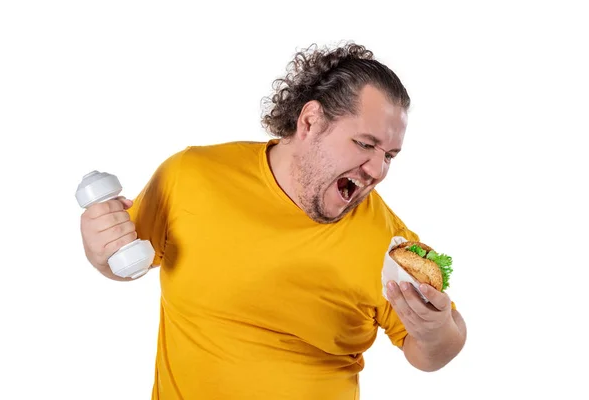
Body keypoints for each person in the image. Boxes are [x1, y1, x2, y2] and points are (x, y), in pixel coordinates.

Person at [80, 42, 467, 399]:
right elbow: (124, 260)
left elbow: (438, 347)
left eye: (390, 155)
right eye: (365, 144)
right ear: (311, 121)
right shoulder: (191, 175)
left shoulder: (391, 245)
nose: (378, 169)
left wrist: (435, 333)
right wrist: (98, 248)